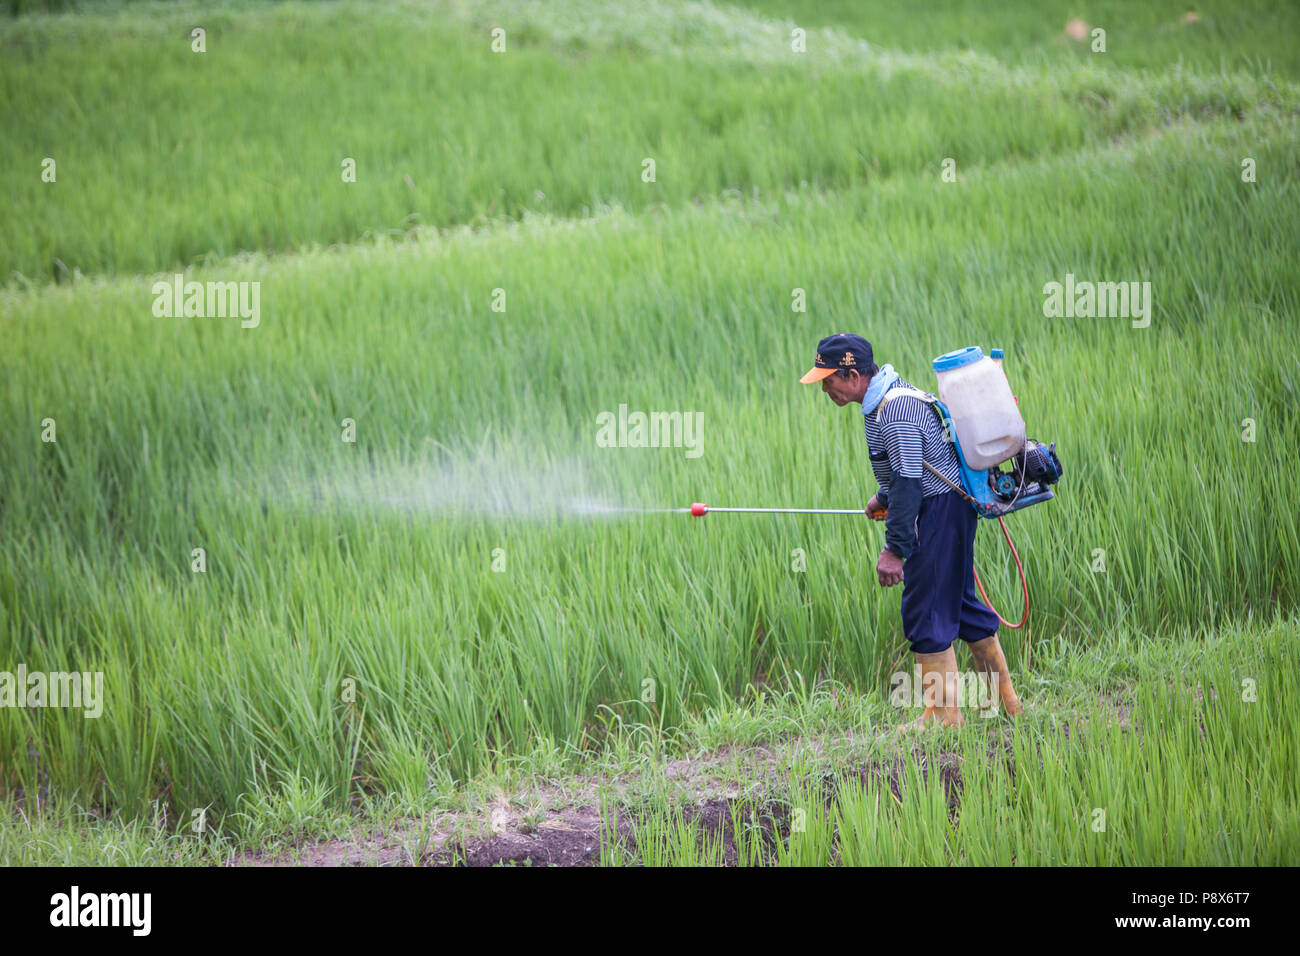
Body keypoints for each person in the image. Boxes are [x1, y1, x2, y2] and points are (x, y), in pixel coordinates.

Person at [799, 333, 1022, 728]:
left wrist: (895, 551)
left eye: (827, 379)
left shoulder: (895, 409)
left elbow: (909, 481)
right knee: (961, 605)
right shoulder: (884, 401)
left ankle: (943, 717)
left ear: (851, 375)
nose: (824, 388)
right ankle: (1007, 704)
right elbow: (906, 471)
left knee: (925, 609)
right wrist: (882, 497)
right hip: (945, 507)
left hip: (938, 510)